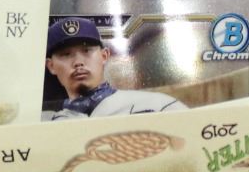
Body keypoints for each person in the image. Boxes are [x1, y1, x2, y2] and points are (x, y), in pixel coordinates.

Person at [41, 17, 185, 120]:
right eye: (66, 54)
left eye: (86, 51)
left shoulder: (157, 105)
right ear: (51, 66)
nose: (78, 62)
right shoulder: (44, 122)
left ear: (104, 56)